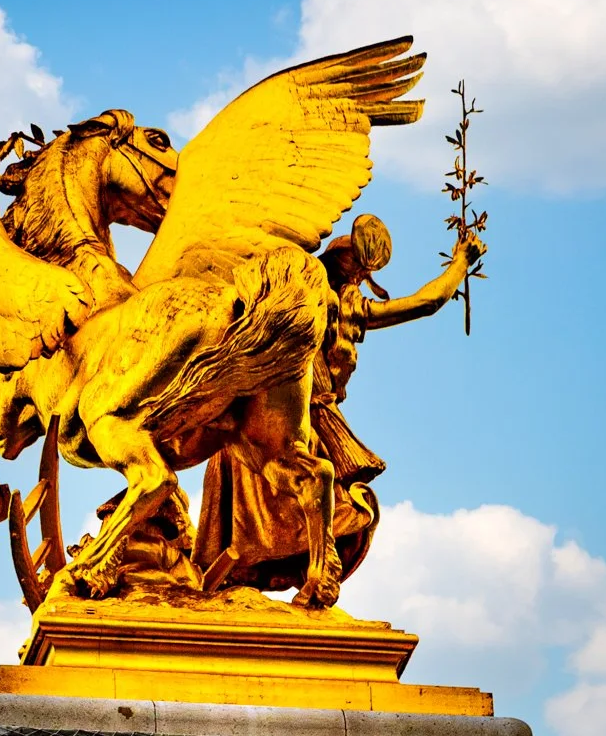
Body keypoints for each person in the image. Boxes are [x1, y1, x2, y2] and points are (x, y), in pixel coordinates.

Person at [193, 214, 481, 594]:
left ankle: (282, 570)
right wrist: (461, 263)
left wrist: (459, 263)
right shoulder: (321, 306)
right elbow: (425, 303)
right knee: (332, 500)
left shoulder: (309, 304)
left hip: (268, 427)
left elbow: (426, 304)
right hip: (285, 429)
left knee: (322, 501)